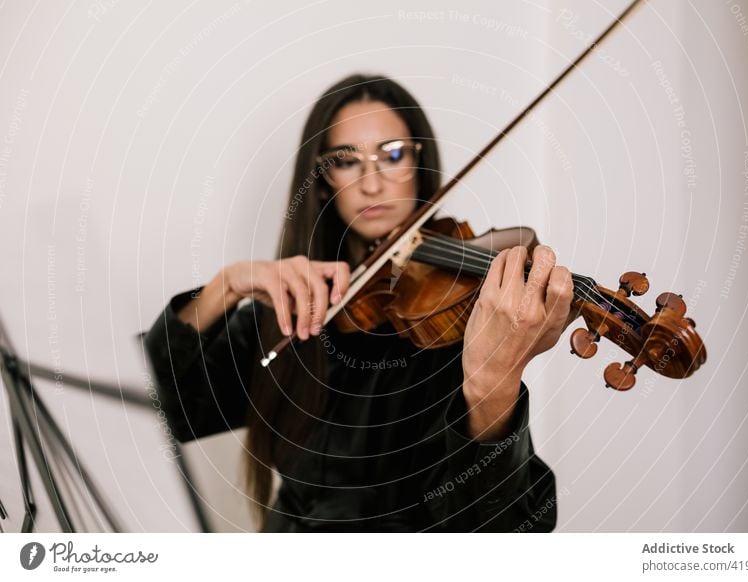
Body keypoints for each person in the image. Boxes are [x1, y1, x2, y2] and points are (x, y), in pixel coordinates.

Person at [143, 73, 574, 532]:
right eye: (346, 161)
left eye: (392, 155)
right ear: (324, 179)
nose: (372, 184)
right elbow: (152, 405)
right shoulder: (290, 318)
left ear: (419, 163)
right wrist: (227, 286)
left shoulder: (464, 325)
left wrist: (493, 385)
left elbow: (506, 535)